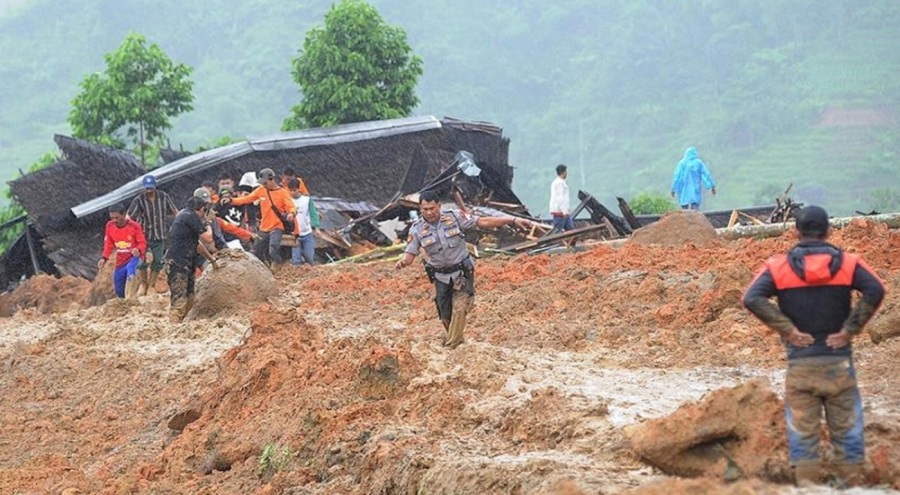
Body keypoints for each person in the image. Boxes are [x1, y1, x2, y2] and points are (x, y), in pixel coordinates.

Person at [743, 205, 885, 486]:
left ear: (796, 231)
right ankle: (851, 488)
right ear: (828, 230)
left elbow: (751, 298)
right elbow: (877, 289)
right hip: (839, 365)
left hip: (801, 366)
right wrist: (849, 329)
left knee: (803, 438)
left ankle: (808, 488)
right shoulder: (849, 264)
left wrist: (788, 330)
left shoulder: (779, 268)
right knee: (848, 434)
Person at [395, 190, 532, 349]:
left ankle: (451, 347)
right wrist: (403, 262)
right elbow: (410, 254)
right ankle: (457, 341)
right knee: (445, 315)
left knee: (460, 308)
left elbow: (483, 221)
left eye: (432, 208)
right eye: (425, 209)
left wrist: (512, 220)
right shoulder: (417, 229)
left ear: (439, 206)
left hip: (462, 272)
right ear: (420, 209)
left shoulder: (454, 217)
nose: (429, 212)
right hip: (440, 276)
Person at [225, 168, 296, 269]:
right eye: (262, 183)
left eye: (265, 183)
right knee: (256, 250)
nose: (264, 185)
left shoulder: (283, 193)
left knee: (273, 248)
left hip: (277, 226)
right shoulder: (261, 190)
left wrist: (291, 213)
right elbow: (247, 199)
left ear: (272, 180)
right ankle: (263, 268)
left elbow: (291, 206)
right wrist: (232, 200)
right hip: (264, 227)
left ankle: (279, 265)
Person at [165, 196, 219, 323]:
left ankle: (179, 324)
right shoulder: (191, 216)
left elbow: (197, 245)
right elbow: (208, 238)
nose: (204, 214)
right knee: (179, 300)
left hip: (185, 261)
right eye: (204, 210)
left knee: (189, 298)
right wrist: (208, 223)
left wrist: (212, 260)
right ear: (200, 209)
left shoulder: (184, 215)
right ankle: (173, 327)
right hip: (178, 262)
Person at [126, 174, 178, 296]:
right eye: (147, 188)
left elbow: (174, 211)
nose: (149, 190)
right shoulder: (139, 200)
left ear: (155, 186)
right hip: (143, 235)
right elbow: (130, 216)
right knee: (141, 261)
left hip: (159, 234)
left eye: (151, 188)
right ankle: (143, 284)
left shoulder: (163, 197)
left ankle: (152, 285)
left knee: (158, 260)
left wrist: (181, 221)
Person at [98, 203, 147, 299]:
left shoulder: (134, 226)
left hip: (134, 257)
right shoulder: (110, 226)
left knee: (131, 272)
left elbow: (142, 243)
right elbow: (108, 243)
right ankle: (123, 301)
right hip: (121, 260)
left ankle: (131, 298)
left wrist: (138, 249)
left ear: (124, 215)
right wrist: (104, 258)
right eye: (112, 218)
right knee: (119, 288)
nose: (115, 220)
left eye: (117, 217)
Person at [287, 178, 320, 265]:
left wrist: (316, 227)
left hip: (307, 233)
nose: (292, 193)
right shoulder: (288, 201)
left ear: (299, 189)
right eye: (291, 191)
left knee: (309, 256)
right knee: (296, 259)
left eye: (294, 190)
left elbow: (313, 214)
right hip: (295, 234)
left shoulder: (307, 200)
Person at [549, 164, 574, 234]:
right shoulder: (559, 183)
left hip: (562, 212)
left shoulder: (558, 182)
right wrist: (564, 211)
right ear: (564, 172)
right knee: (558, 231)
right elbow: (560, 199)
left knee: (570, 230)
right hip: (560, 212)